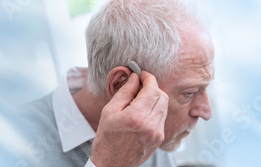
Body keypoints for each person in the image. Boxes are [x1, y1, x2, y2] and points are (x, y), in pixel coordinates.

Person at [17, 0, 214, 166]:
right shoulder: (14, 140)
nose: (206, 112)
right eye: (189, 93)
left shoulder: (154, 128)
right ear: (122, 85)